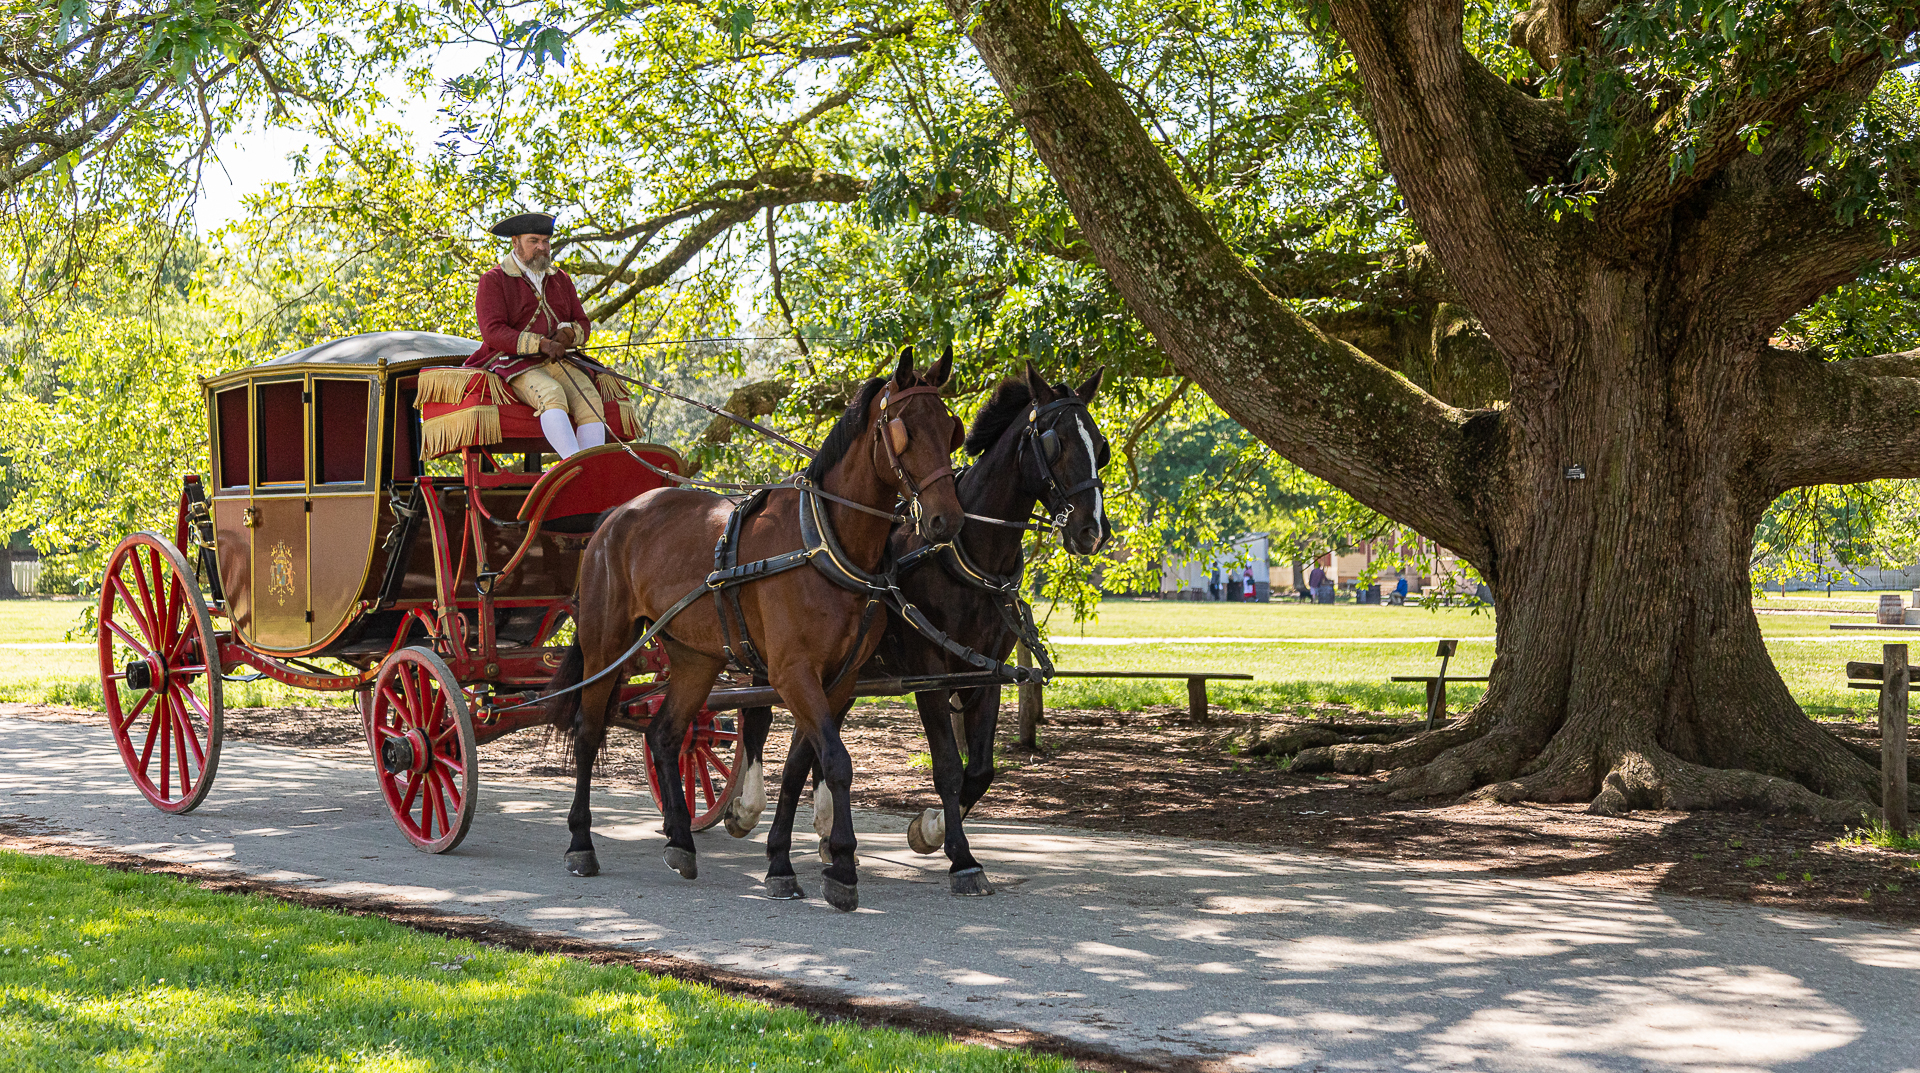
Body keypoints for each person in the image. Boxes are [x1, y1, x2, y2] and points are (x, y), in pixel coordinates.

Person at [468, 211, 602, 459]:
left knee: (591, 400)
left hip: (560, 360)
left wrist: (568, 334)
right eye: (534, 241)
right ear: (515, 242)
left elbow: (583, 322)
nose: (542, 248)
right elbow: (493, 331)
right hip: (514, 363)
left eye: (546, 241)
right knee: (551, 393)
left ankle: (593, 470)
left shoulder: (561, 279)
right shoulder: (494, 280)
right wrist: (540, 344)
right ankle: (573, 469)